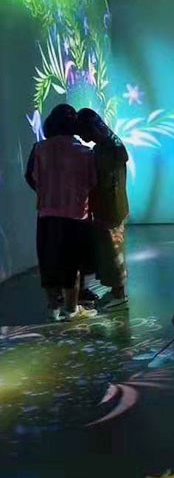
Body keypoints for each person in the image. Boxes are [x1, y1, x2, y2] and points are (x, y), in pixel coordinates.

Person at [24, 104, 97, 321]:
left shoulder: (39, 148)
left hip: (46, 214)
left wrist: (46, 192)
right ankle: (71, 309)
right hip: (76, 215)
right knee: (72, 263)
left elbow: (29, 176)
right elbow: (93, 182)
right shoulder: (85, 153)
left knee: (49, 261)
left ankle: (53, 308)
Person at [76, 109, 130, 310]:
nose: (81, 136)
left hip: (108, 208)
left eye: (82, 131)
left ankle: (119, 295)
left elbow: (104, 181)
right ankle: (116, 291)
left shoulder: (106, 149)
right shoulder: (111, 144)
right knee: (113, 250)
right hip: (113, 205)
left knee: (112, 252)